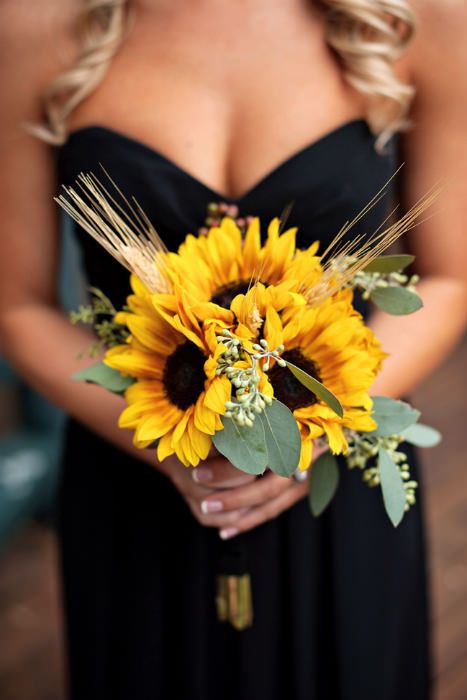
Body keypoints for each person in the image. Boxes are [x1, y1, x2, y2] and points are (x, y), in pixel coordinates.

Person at [0, 1, 466, 698]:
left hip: (334, 489)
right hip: (133, 470)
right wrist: (170, 444)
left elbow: (449, 277)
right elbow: (19, 306)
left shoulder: (420, 16)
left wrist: (307, 430)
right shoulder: (33, 23)